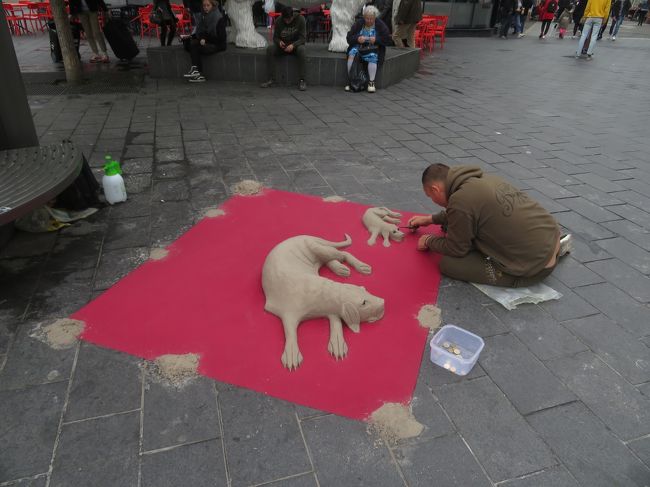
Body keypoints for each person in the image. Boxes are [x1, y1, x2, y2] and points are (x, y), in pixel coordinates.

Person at [407, 163, 573, 288]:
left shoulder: (460, 200)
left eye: (430, 196)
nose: (433, 201)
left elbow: (456, 248)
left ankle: (517, 279)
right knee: (454, 228)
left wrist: (429, 240)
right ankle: (555, 250)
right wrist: (430, 219)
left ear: (435, 189)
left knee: (448, 264)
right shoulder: (480, 179)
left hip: (536, 266)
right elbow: (464, 212)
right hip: (550, 235)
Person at [260, 6, 308, 91]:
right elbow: (275, 37)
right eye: (285, 19)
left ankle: (302, 80)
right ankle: (272, 79)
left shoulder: (301, 19)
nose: (287, 21)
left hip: (296, 46)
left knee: (302, 50)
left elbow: (303, 38)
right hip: (283, 46)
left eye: (289, 20)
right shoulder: (279, 20)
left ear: (292, 16)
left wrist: (293, 45)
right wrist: (279, 42)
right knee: (270, 49)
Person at [345, 5, 390, 93]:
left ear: (375, 18)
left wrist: (376, 40)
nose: (369, 21)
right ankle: (352, 81)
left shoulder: (380, 24)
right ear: (364, 17)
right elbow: (349, 37)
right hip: (359, 47)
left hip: (373, 48)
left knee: (373, 56)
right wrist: (357, 38)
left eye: (371, 19)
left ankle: (371, 83)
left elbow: (387, 39)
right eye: (367, 18)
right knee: (351, 54)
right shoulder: (359, 23)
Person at [183, 0, 227, 82]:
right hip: (209, 41)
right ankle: (196, 72)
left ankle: (198, 72)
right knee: (188, 44)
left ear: (212, 6)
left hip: (218, 44)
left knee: (195, 47)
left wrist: (205, 39)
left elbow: (221, 38)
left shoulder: (218, 17)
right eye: (204, 6)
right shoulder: (205, 16)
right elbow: (202, 31)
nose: (205, 8)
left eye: (208, 5)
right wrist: (190, 36)